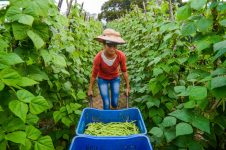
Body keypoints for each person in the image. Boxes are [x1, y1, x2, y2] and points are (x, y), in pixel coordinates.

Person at [88, 28, 130, 110]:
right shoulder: (98, 58)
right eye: (109, 45)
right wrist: (90, 88)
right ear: (104, 44)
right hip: (102, 79)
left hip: (115, 78)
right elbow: (94, 74)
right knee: (106, 103)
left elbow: (124, 71)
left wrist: (128, 87)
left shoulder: (121, 55)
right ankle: (107, 120)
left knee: (114, 102)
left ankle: (113, 108)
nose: (112, 48)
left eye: (114, 46)